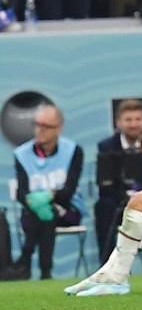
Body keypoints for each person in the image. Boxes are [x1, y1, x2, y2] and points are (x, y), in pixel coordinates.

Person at [8, 105, 86, 281]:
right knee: (45, 214)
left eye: (46, 126)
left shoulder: (74, 151)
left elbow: (68, 191)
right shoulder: (22, 154)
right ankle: (45, 272)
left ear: (59, 128)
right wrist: (33, 201)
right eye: (37, 125)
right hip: (33, 211)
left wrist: (49, 196)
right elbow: (22, 192)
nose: (40, 130)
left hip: (69, 212)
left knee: (49, 212)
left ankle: (25, 258)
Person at [94, 100, 142, 265]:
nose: (133, 124)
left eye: (138, 119)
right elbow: (104, 185)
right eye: (128, 120)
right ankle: (107, 266)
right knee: (103, 206)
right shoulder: (106, 146)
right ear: (118, 122)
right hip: (118, 203)